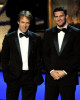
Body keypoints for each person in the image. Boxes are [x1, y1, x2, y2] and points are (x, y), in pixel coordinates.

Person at [1, 10, 43, 100]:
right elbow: (4, 59)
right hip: (13, 77)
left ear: (30, 23)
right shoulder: (9, 38)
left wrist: (37, 75)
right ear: (18, 22)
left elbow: (38, 58)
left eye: (27, 23)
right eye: (22, 22)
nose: (25, 25)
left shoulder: (36, 38)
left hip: (30, 78)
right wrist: (7, 77)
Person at [43, 6, 80, 100]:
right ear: (54, 18)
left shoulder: (76, 33)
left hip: (68, 78)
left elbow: (77, 56)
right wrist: (51, 71)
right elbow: (44, 55)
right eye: (56, 16)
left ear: (66, 16)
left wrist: (65, 72)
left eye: (61, 16)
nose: (58, 18)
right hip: (52, 78)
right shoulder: (48, 33)